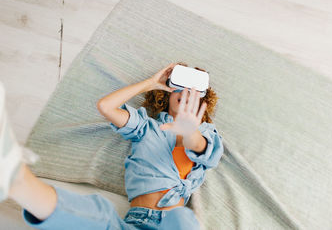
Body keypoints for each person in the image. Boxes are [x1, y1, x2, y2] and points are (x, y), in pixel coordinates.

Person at [0, 62, 224, 229]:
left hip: (173, 222)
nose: (186, 93)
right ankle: (15, 178)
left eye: (194, 91)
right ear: (166, 94)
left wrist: (188, 131)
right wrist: (150, 83)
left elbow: (204, 151)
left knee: (181, 218)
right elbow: (106, 106)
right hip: (135, 221)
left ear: (203, 101)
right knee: (101, 215)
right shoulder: (147, 127)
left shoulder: (206, 134)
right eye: (180, 87)